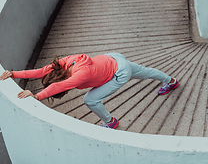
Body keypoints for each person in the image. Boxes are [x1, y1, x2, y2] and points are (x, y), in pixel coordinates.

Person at [0, 53, 179, 129]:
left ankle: (110, 122)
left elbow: (58, 87)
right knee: (144, 72)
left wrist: (37, 96)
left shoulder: (80, 75)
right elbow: (41, 71)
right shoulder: (66, 63)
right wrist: (14, 74)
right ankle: (171, 81)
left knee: (90, 100)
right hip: (113, 59)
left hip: (118, 73)